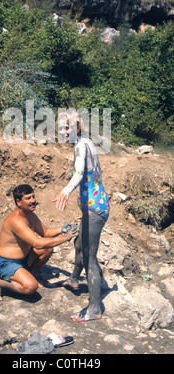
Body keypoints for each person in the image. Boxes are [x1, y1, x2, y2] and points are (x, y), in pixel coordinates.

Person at [53, 112, 110, 322]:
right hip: (95, 205)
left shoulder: (80, 146)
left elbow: (78, 173)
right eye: (60, 129)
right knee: (79, 245)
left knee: (89, 256)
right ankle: (74, 280)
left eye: (67, 128)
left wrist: (65, 191)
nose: (63, 132)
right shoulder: (87, 143)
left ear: (77, 128)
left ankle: (95, 309)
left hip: (94, 208)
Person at [0, 184, 77, 300]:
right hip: (5, 263)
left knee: (47, 248)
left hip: (22, 260)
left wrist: (62, 229)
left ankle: (28, 275)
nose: (33, 201)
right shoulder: (16, 221)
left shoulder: (30, 215)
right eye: (28, 198)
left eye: (33, 197)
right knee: (31, 287)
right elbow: (37, 243)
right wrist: (64, 238)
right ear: (19, 202)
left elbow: (45, 232)